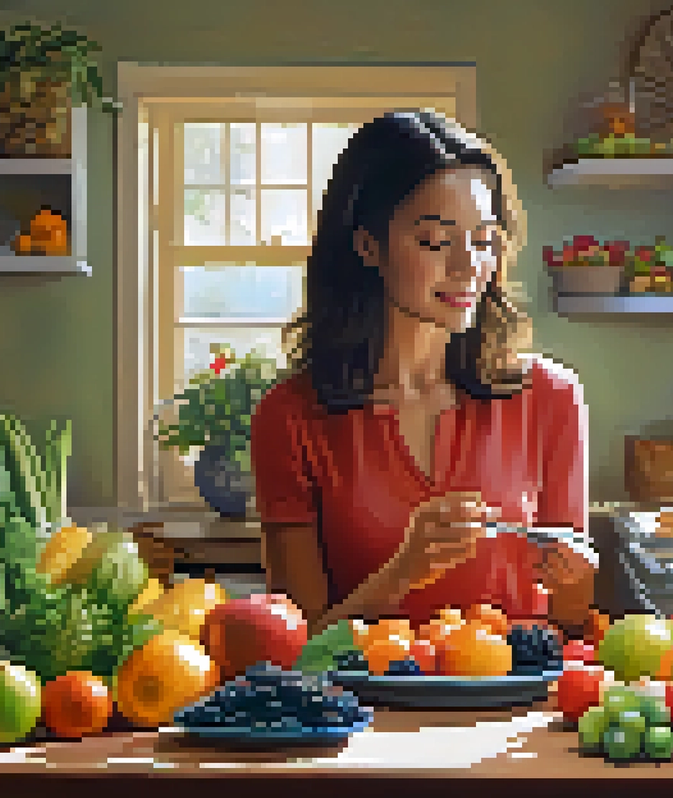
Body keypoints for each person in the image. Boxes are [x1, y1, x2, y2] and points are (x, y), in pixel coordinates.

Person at [251, 109, 596, 638]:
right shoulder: (290, 417)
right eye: (436, 241)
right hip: (363, 694)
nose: (467, 266)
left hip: (514, 693)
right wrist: (403, 573)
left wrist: (575, 582)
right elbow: (299, 648)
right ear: (368, 245)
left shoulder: (551, 398)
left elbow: (568, 621)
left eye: (484, 240)